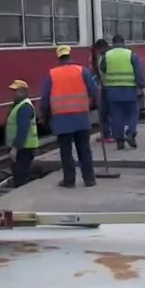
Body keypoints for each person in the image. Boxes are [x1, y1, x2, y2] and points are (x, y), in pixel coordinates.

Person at [41, 45, 99, 188]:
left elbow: (45, 98)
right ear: (70, 56)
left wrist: (43, 115)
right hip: (81, 117)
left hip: (61, 119)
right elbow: (95, 90)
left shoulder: (52, 74)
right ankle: (89, 179)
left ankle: (69, 180)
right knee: (84, 149)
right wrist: (94, 103)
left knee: (65, 151)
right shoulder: (82, 71)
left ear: (58, 58)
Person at [99, 34, 145, 150]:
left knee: (116, 116)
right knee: (133, 113)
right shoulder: (131, 55)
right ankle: (130, 133)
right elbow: (138, 72)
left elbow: (102, 70)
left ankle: (119, 140)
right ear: (123, 42)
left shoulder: (106, 56)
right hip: (129, 90)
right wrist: (142, 86)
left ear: (112, 43)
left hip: (112, 91)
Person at [4, 79, 39, 188]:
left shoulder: (24, 107)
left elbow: (22, 129)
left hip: (24, 148)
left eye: (16, 91)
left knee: (21, 174)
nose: (13, 94)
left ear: (23, 92)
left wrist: (15, 149)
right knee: (19, 173)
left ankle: (22, 194)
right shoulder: (19, 105)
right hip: (23, 147)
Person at [92, 38, 114, 143]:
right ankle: (107, 135)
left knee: (108, 112)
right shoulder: (102, 57)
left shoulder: (107, 57)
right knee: (104, 113)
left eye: (98, 50)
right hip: (105, 87)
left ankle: (112, 135)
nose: (97, 52)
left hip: (109, 88)